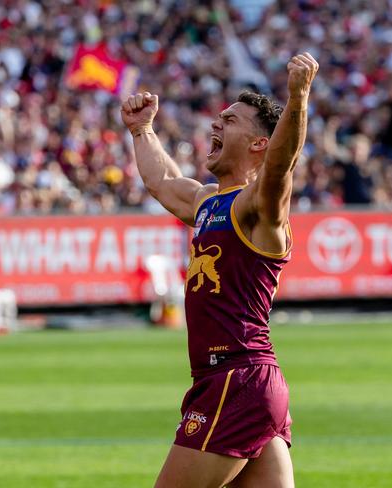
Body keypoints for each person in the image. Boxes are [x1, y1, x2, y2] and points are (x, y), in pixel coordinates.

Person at [121, 52, 318, 487]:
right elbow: (162, 182)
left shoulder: (259, 208)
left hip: (235, 377)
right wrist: (141, 130)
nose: (215, 124)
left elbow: (281, 166)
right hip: (248, 382)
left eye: (229, 121)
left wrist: (297, 97)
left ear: (258, 144)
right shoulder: (209, 201)